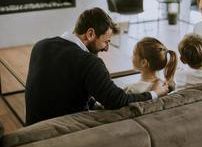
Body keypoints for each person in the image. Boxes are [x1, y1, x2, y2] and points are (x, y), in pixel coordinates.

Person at [25, 7, 169, 125]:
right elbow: (117, 100)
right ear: (90, 34)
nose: (107, 48)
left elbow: (63, 87)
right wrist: (154, 93)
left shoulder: (40, 45)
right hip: (64, 134)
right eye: (106, 41)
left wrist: (93, 103)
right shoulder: (89, 62)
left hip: (33, 129)